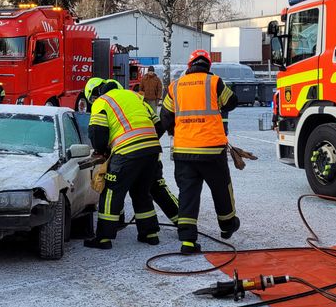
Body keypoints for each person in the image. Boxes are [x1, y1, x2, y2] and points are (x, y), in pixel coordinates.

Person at [160, 49, 240, 254]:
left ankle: (187, 240)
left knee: (188, 193)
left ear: (189, 66)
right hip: (212, 150)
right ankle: (227, 226)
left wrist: (173, 131)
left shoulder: (175, 86)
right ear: (208, 66)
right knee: (221, 189)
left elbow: (165, 117)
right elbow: (232, 102)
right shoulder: (214, 82)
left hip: (184, 151)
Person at [83, 78, 164, 250]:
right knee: (142, 192)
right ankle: (150, 233)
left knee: (112, 191)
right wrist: (146, 141)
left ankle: (104, 238)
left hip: (127, 151)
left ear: (95, 94)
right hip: (151, 150)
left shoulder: (101, 102)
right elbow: (159, 125)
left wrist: (103, 150)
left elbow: (98, 133)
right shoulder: (134, 96)